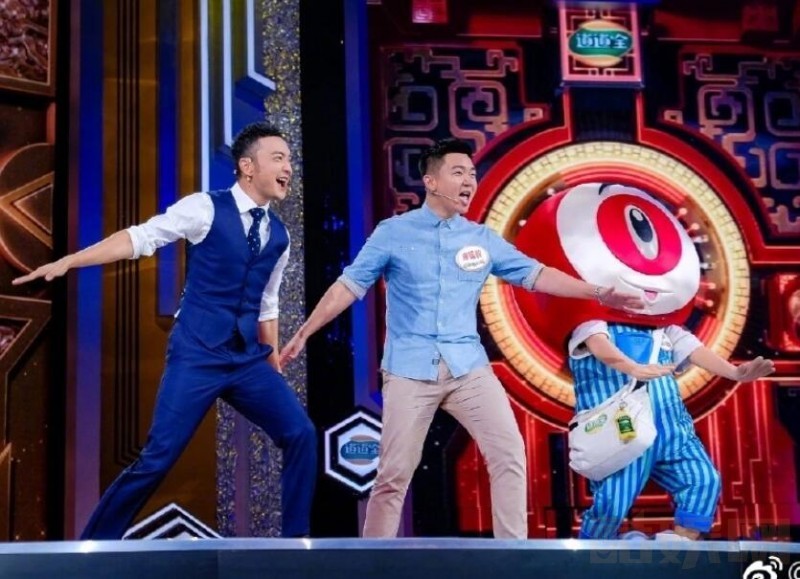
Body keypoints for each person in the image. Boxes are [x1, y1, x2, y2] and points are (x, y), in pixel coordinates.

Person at [279, 138, 643, 539]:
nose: (469, 181)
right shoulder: (393, 232)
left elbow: (537, 275)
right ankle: (374, 561)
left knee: (509, 455)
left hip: (469, 369)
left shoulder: (481, 239)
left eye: (472, 174)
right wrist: (304, 332)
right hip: (409, 370)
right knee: (393, 474)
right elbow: (349, 286)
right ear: (431, 181)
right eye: (458, 173)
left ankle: (513, 558)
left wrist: (598, 292)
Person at [13, 122, 317, 539]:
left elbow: (267, 303)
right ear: (248, 166)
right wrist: (69, 261)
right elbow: (140, 238)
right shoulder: (205, 208)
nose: (289, 168)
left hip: (247, 360)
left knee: (301, 433)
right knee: (158, 456)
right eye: (278, 158)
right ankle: (92, 547)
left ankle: (295, 546)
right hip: (197, 353)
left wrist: (272, 361)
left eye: (290, 160)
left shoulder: (279, 235)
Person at [517, 182, 775, 541]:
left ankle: (680, 544)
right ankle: (593, 552)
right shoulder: (592, 324)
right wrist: (633, 369)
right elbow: (600, 347)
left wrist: (734, 372)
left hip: (672, 428)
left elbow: (695, 350)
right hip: (623, 429)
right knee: (613, 502)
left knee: (703, 480)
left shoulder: (665, 330)